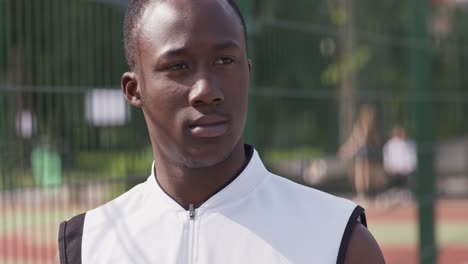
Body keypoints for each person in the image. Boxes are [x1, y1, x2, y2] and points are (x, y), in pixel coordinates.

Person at [58, 0, 385, 263]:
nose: (205, 90)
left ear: (248, 72)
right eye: (178, 66)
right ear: (134, 89)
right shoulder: (87, 245)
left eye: (225, 61)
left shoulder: (338, 239)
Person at [339, 105, 384, 201]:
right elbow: (355, 141)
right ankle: (364, 194)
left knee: (367, 173)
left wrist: (348, 150)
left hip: (370, 152)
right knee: (361, 172)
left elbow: (362, 141)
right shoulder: (360, 127)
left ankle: (368, 193)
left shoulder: (371, 129)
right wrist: (347, 149)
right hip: (364, 152)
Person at [383, 125, 417, 192]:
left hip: (408, 171)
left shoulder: (411, 143)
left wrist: (405, 168)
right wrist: (395, 169)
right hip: (394, 172)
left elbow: (413, 160)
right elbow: (387, 161)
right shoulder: (389, 145)